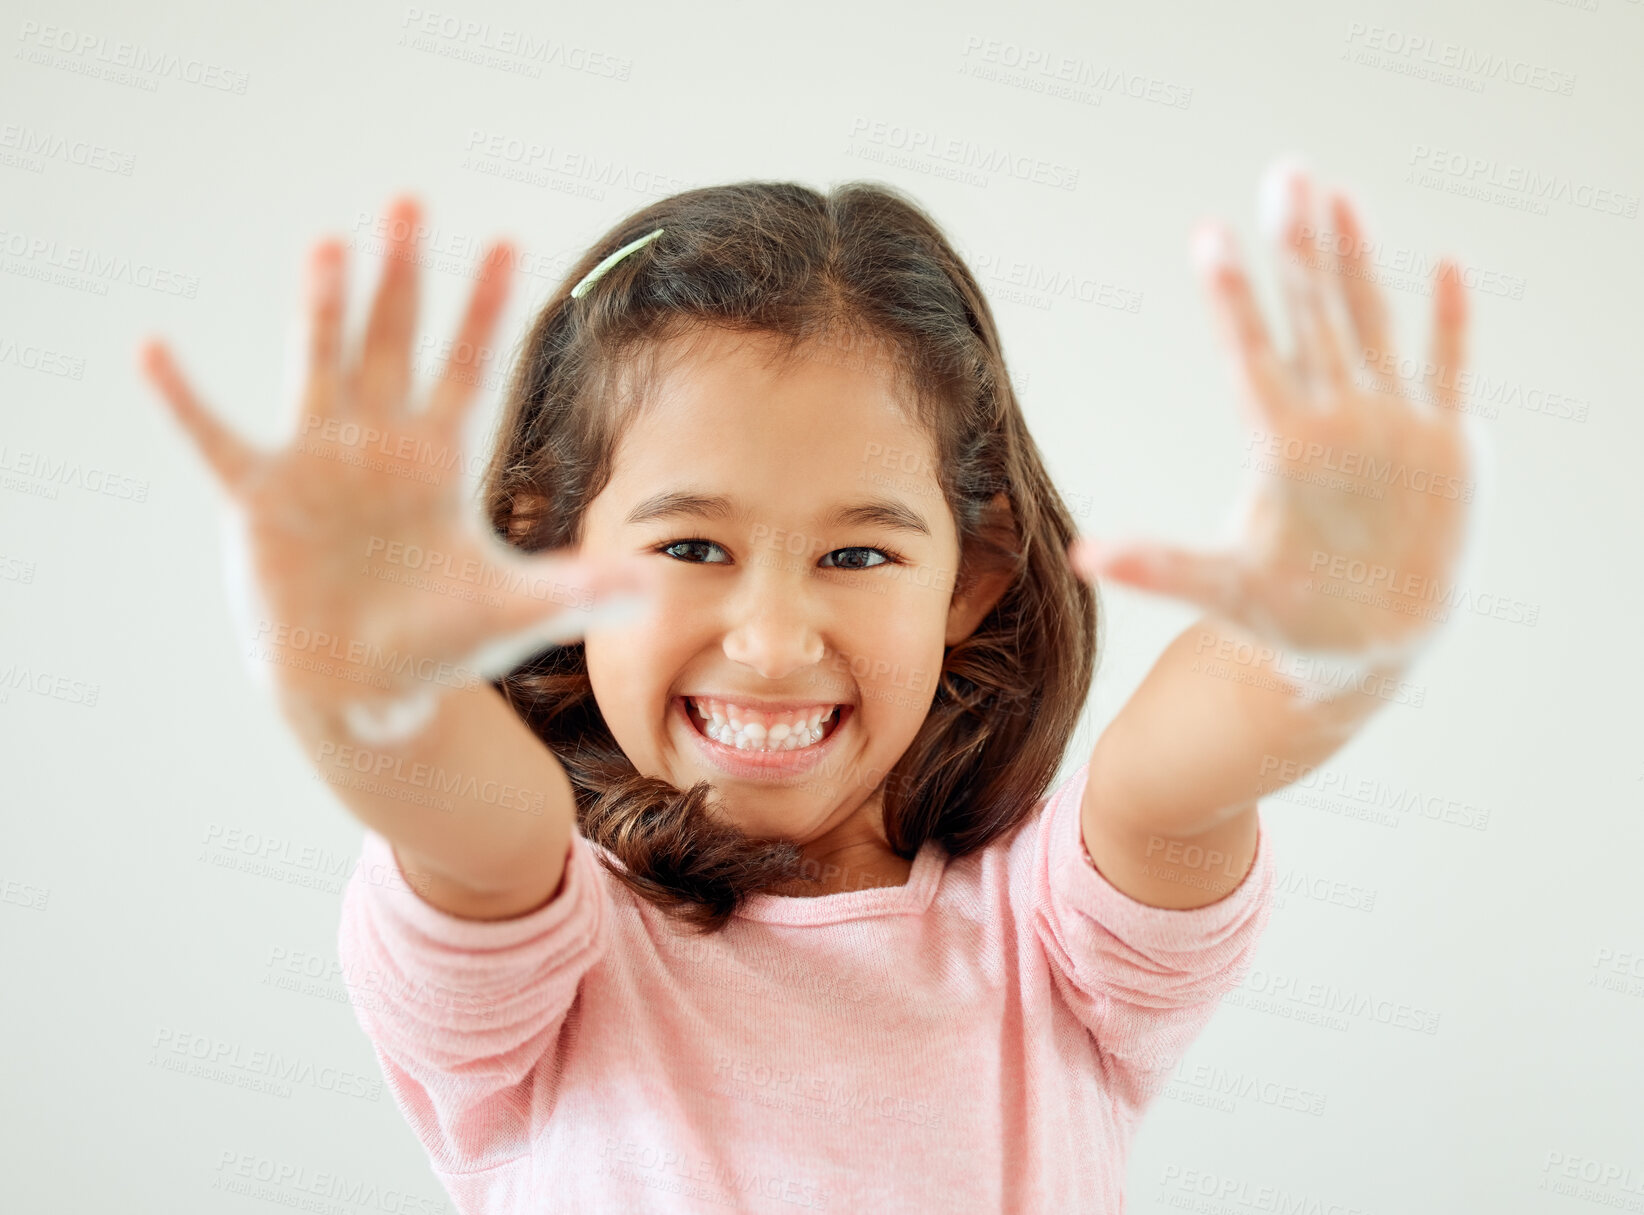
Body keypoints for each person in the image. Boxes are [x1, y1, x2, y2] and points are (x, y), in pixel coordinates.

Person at [136, 162, 1478, 1213]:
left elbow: (1176, 779)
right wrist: (355, 685)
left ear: (974, 577)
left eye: (854, 552)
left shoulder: (1048, 937)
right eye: (692, 547)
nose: (773, 640)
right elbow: (476, 823)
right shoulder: (550, 940)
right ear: (553, 542)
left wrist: (1322, 644)